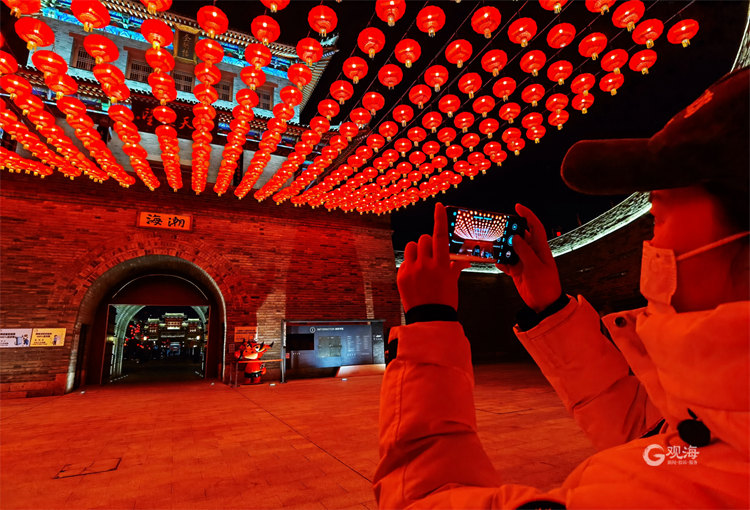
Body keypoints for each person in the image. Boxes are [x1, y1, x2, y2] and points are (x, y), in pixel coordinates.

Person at [374, 67, 749, 509]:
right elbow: (657, 436)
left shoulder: (646, 495)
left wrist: (428, 322)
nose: (651, 241)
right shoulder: (712, 442)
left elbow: (425, 498)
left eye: (659, 216)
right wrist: (551, 309)